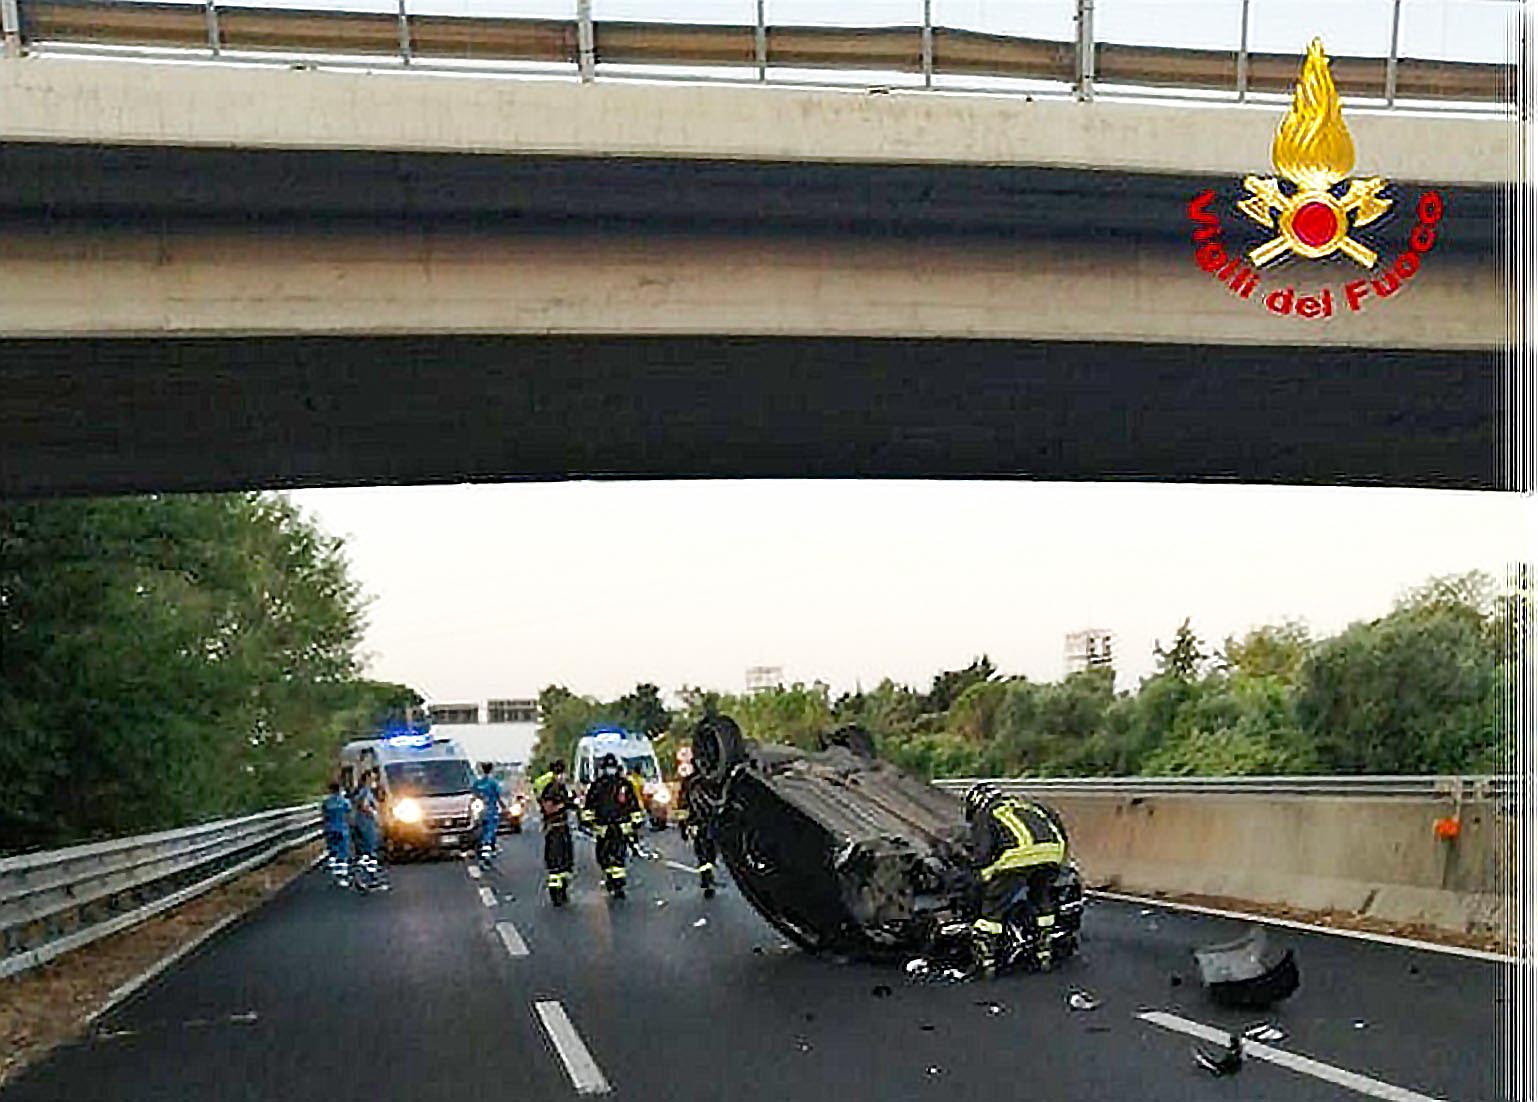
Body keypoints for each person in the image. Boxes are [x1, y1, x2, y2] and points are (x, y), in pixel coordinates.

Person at [964, 783, 1066, 977]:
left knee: (992, 909)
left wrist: (979, 878)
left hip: (1018, 858)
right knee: (1041, 900)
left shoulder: (985, 813)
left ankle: (986, 961)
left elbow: (983, 853)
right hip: (1052, 854)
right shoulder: (1029, 806)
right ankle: (1043, 953)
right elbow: (1057, 827)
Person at [580, 752, 645, 899]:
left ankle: (614, 881)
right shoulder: (624, 785)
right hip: (619, 829)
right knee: (617, 856)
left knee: (605, 856)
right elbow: (634, 806)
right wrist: (635, 824)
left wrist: (588, 823)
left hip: (605, 830)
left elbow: (589, 808)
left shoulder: (597, 785)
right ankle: (617, 882)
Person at [532, 759, 577, 905]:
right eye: (561, 773)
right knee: (555, 863)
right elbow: (548, 809)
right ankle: (555, 894)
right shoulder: (551, 789)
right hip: (554, 830)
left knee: (566, 862)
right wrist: (564, 805)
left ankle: (563, 891)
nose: (563, 776)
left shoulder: (562, 788)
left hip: (563, 828)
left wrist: (572, 802)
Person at [675, 760, 717, 897]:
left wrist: (683, 827)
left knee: (703, 852)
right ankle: (708, 877)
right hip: (706, 822)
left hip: (699, 823)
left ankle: (707, 878)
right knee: (707, 850)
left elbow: (682, 807)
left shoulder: (689, 784)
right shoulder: (708, 780)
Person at [350, 768, 388, 892]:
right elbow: (365, 806)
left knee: (364, 852)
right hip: (366, 825)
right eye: (372, 779)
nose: (374, 781)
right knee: (369, 852)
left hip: (361, 824)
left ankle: (366, 877)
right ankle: (367, 878)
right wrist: (375, 815)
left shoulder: (361, 792)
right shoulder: (365, 792)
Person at [321, 780, 353, 887]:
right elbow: (349, 814)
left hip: (331, 829)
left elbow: (324, 816)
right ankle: (342, 876)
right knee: (342, 853)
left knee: (333, 851)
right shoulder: (344, 801)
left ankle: (335, 874)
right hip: (342, 829)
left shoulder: (326, 802)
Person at [471, 762, 504, 866]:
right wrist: (504, 808)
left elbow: (473, 797)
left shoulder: (477, 783)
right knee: (490, 832)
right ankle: (486, 855)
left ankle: (486, 850)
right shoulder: (493, 783)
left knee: (482, 832)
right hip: (491, 811)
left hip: (479, 811)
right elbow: (498, 797)